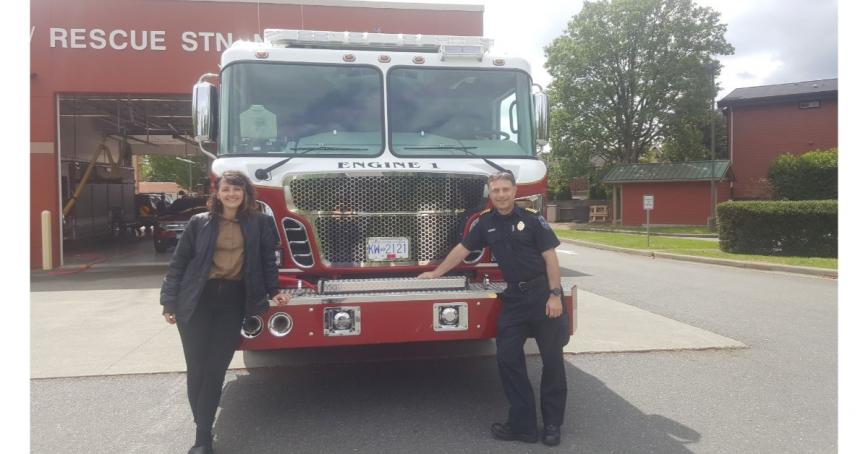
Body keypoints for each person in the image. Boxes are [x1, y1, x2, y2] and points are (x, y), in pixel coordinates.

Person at [419, 171, 569, 447]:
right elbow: (462, 250)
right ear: (490, 194)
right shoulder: (485, 224)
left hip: (541, 296)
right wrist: (436, 273)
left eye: (505, 189)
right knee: (508, 358)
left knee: (552, 362)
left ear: (514, 191)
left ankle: (551, 425)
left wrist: (555, 295)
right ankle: (523, 425)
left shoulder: (533, 220)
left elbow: (551, 259)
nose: (501, 194)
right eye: (496, 190)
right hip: (513, 298)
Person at [160, 170, 289, 454]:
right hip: (196, 300)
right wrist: (168, 302)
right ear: (217, 193)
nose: (231, 194)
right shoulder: (199, 223)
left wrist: (274, 291)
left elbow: (267, 261)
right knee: (197, 368)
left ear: (245, 194)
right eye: (226, 189)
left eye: (237, 189)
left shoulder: (260, 223)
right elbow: (179, 264)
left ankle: (202, 432)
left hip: (232, 301)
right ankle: (203, 435)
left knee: (216, 368)